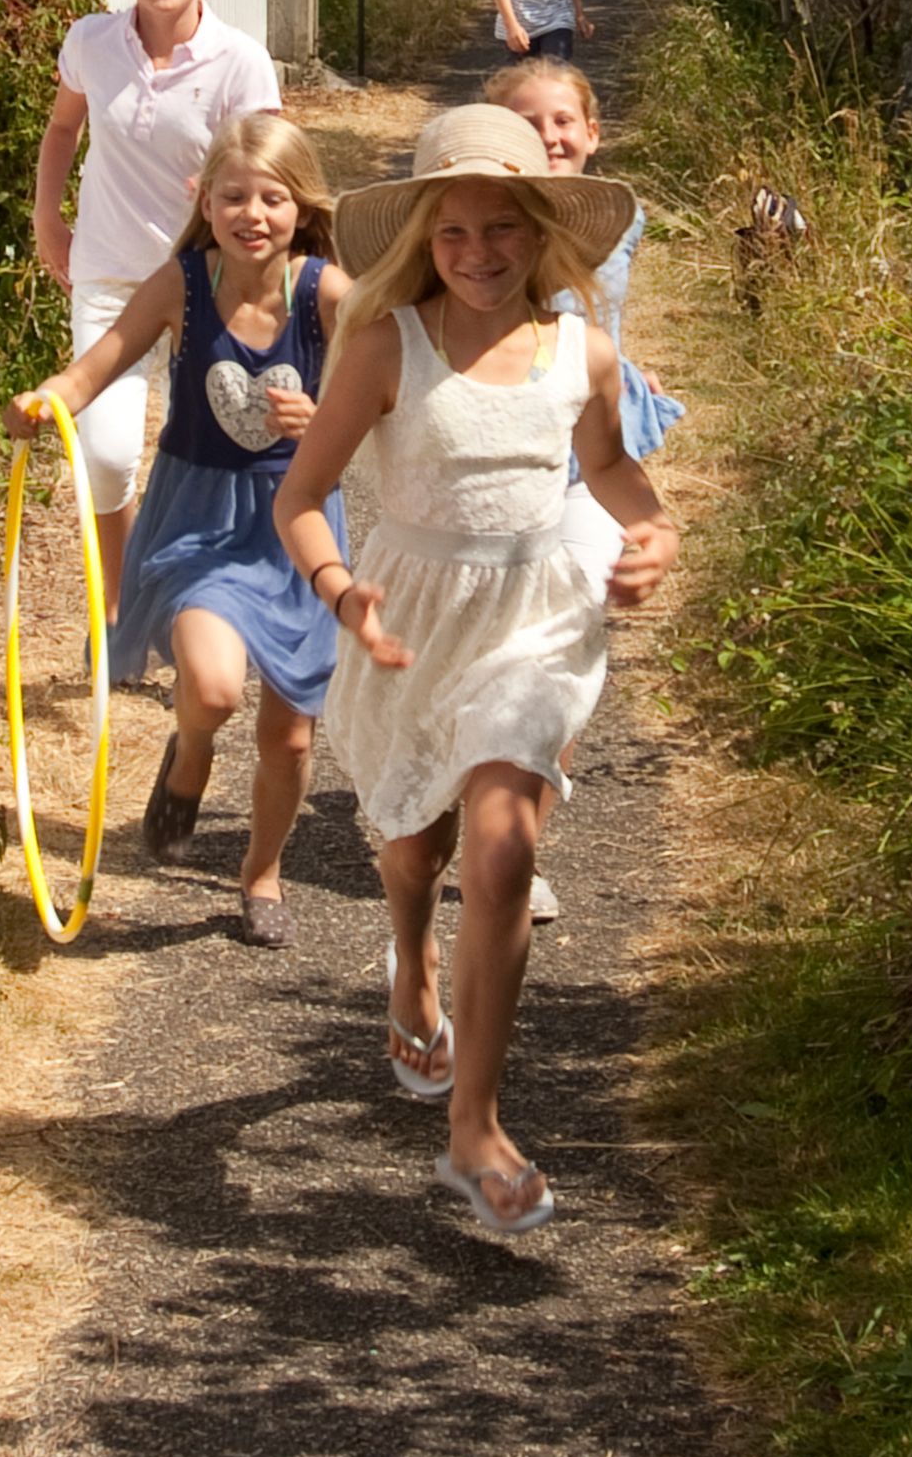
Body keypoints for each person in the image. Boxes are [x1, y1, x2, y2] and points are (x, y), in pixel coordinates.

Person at [274, 104, 680, 1235]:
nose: (480, 251)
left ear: (541, 227)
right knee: (415, 847)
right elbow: (300, 499)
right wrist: (339, 587)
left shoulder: (581, 352)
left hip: (537, 619)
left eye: (502, 227)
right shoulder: (383, 343)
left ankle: (476, 1124)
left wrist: (656, 534)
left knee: (502, 850)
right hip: (410, 615)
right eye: (454, 233)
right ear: (422, 239)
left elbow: (611, 471)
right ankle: (409, 953)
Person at [14, 115, 349, 948]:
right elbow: (95, 367)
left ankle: (261, 873)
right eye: (233, 196)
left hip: (296, 525)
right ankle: (192, 751)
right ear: (206, 200)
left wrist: (324, 421)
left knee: (290, 729)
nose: (252, 214)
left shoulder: (329, 295)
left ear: (302, 207)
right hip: (201, 521)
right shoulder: (180, 285)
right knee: (210, 688)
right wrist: (45, 401)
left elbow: (387, 403)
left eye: (272, 198)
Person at [484, 57, 688, 927]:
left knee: (563, 647)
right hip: (499, 457)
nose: (552, 138)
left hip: (588, 453)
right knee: (487, 655)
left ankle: (517, 848)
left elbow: (578, 284)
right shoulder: (474, 229)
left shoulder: (620, 215)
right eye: (528, 127)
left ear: (594, 133)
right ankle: (457, 796)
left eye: (564, 122)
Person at [34, 0, 281, 609]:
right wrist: (48, 219)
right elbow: (61, 130)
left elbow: (271, 168)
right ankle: (122, 607)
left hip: (208, 284)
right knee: (107, 458)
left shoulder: (241, 61)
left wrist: (228, 190)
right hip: (109, 279)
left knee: (216, 458)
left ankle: (205, 608)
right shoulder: (91, 42)